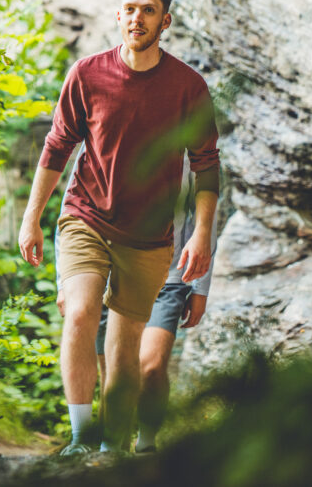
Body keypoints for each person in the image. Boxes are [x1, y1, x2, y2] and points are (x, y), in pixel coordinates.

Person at [18, 0, 220, 455]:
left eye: (148, 10)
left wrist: (202, 235)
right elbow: (57, 146)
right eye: (130, 8)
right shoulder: (87, 74)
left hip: (148, 237)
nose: (137, 18)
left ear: (164, 22)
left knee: (125, 346)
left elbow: (206, 164)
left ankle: (114, 449)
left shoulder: (188, 87)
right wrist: (32, 217)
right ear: (117, 15)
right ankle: (80, 438)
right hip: (85, 215)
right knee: (81, 311)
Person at [54, 153, 217, 453]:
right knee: (111, 369)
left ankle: (146, 444)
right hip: (106, 272)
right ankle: (108, 450)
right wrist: (63, 281)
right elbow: (72, 208)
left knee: (150, 365)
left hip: (170, 276)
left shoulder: (187, 148)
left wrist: (200, 287)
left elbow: (205, 221)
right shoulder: (102, 137)